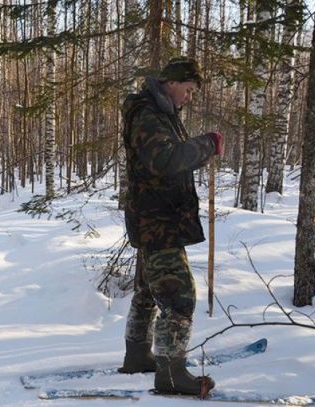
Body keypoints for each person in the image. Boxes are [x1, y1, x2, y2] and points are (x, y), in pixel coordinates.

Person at [118, 57, 223, 396]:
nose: (189, 98)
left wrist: (195, 156)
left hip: (158, 216)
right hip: (156, 219)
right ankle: (171, 375)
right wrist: (206, 143)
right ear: (173, 82)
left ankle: (137, 355)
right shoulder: (149, 114)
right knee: (178, 296)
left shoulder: (160, 113)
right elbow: (164, 160)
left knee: (150, 289)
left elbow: (169, 157)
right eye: (189, 90)